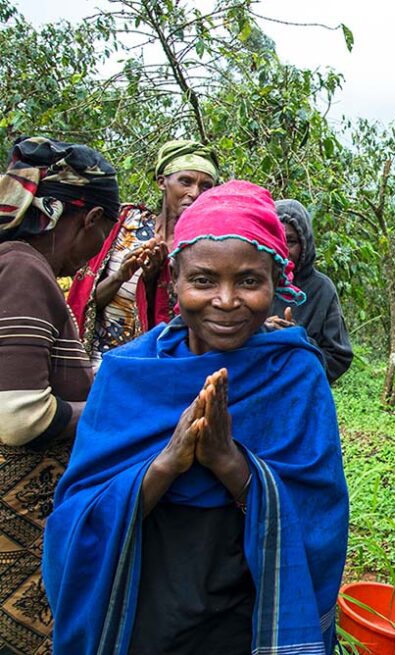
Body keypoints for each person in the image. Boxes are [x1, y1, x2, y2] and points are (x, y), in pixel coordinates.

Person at [42, 180, 348, 655]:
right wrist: (167, 463)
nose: (226, 300)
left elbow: (319, 518)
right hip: (144, 604)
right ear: (176, 279)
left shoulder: (294, 375)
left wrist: (229, 461)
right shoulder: (129, 376)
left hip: (249, 614)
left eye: (249, 280)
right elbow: (77, 517)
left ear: (277, 282)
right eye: (204, 280)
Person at [0, 136, 119, 655]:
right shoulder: (23, 270)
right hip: (14, 545)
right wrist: (106, 408)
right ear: (90, 220)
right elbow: (18, 415)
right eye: (104, 232)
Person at [67, 139, 218, 370]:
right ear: (162, 182)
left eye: (206, 186)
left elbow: (191, 325)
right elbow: (87, 300)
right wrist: (120, 276)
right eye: (185, 181)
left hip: (150, 372)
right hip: (96, 365)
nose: (194, 193)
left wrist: (152, 281)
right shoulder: (126, 224)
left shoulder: (205, 247)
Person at [267, 199, 352, 383]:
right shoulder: (251, 282)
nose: (283, 250)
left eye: (290, 241)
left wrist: (299, 339)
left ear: (305, 244)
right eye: (276, 239)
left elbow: (339, 357)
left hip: (299, 394)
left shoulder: (321, 289)